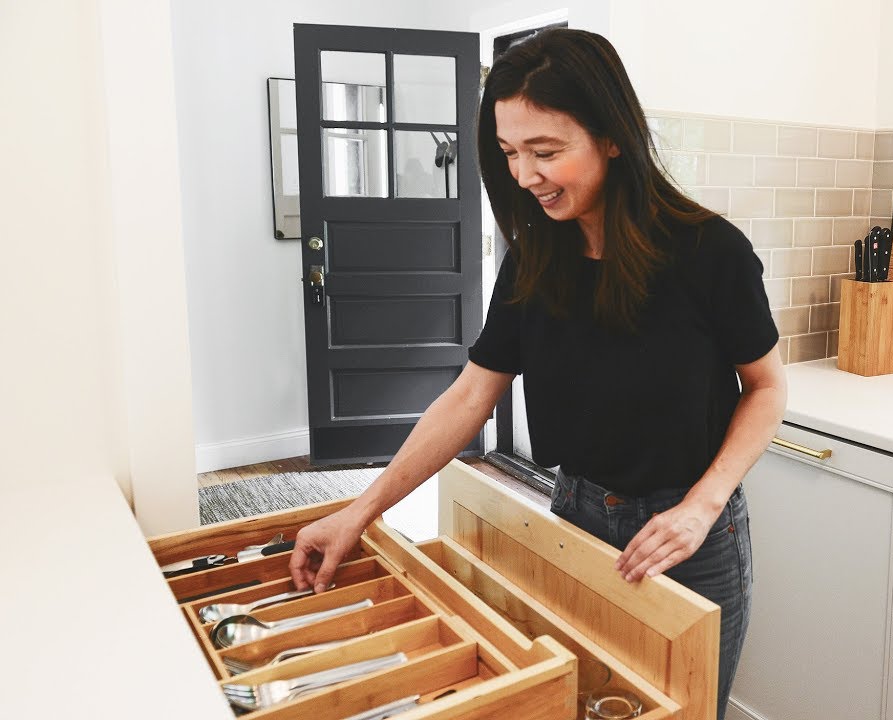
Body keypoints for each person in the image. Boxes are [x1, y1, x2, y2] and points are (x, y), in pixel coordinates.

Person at [289, 28, 785, 720]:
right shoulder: (534, 260)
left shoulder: (710, 253)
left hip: (688, 537)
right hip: (575, 516)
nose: (524, 176)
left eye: (546, 151)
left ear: (613, 137)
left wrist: (702, 505)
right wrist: (360, 511)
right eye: (510, 152)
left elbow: (767, 388)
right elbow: (468, 397)